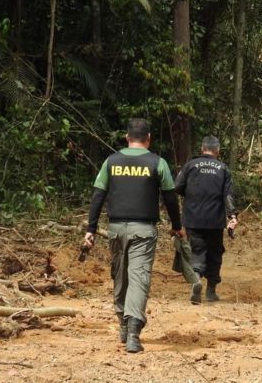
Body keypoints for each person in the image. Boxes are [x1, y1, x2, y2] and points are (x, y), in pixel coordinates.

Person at [83, 118, 183, 353]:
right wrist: (177, 226)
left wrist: (91, 229)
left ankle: (123, 325)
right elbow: (170, 198)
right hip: (144, 231)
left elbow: (98, 195)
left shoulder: (111, 161)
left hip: (116, 229)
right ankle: (134, 334)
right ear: (148, 139)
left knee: (120, 277)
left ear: (127, 138)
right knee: (138, 279)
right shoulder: (157, 163)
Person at [174, 136, 238, 304]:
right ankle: (211, 291)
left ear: (202, 149)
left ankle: (196, 280)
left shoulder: (190, 166)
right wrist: (232, 216)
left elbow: (177, 186)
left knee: (197, 250)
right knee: (215, 252)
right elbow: (228, 195)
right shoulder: (223, 169)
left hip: (193, 218)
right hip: (215, 220)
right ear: (217, 151)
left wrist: (192, 195)